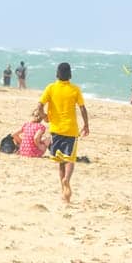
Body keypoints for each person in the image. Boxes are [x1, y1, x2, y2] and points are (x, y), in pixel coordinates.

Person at [39, 62, 90, 204]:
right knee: (70, 159)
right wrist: (86, 125)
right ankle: (67, 179)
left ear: (57, 74)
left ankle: (63, 192)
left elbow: (39, 106)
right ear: (70, 75)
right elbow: (82, 108)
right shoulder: (75, 89)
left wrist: (44, 117)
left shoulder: (51, 88)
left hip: (55, 130)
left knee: (60, 161)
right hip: (71, 130)